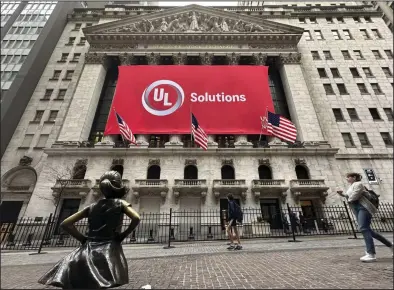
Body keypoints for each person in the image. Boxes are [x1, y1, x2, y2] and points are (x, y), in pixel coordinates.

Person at [38, 171, 141, 289]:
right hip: (108, 248)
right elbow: (136, 218)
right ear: (117, 187)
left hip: (87, 248)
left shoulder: (91, 206)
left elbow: (66, 224)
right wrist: (124, 234)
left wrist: (82, 239)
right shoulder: (120, 203)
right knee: (102, 281)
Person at [337, 172, 393, 262]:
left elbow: (354, 196)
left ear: (354, 177)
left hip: (364, 208)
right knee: (368, 230)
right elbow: (349, 196)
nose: (347, 179)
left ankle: (371, 254)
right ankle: (390, 245)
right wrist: (342, 194)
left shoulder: (358, 184)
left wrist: (349, 200)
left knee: (363, 228)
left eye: (348, 177)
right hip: (357, 209)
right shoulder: (351, 186)